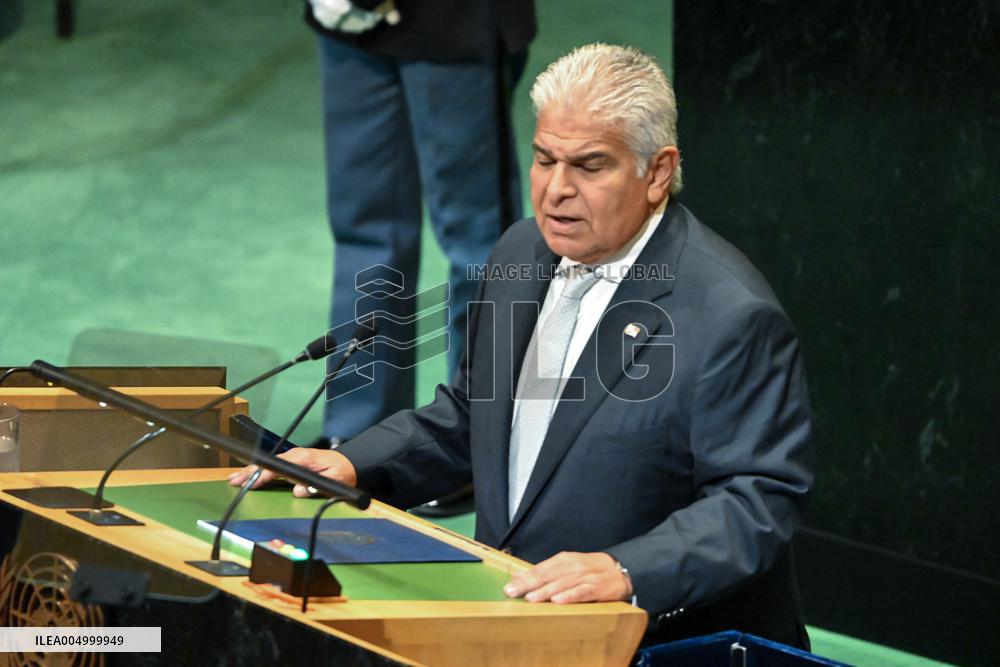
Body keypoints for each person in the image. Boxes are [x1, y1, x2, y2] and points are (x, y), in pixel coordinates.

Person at [233, 43, 815, 648]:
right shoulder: (522, 251)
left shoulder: (730, 315)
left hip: (646, 644)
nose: (556, 190)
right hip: (507, 616)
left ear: (658, 172)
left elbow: (757, 501)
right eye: (544, 159)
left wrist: (627, 571)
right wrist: (355, 463)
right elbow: (473, 416)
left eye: (589, 166)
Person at [308, 0, 536, 442]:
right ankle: (360, 436)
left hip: (452, 22)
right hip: (347, 24)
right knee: (365, 232)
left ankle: (475, 437)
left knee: (480, 243)